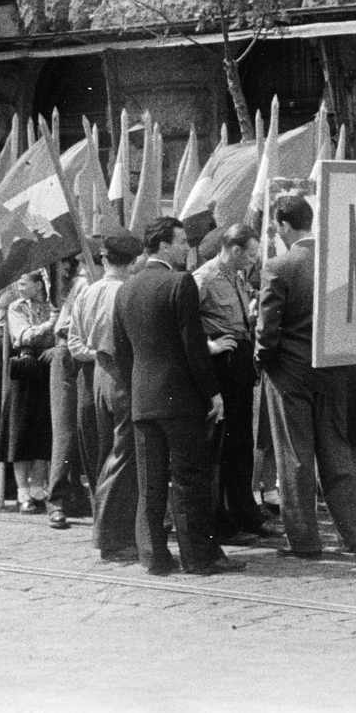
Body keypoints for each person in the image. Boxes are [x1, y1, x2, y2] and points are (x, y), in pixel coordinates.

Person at [117, 217, 240, 576]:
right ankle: (197, 556)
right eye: (182, 241)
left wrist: (137, 387)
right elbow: (192, 346)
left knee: (150, 481)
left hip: (143, 399)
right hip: (180, 400)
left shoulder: (126, 287)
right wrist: (212, 393)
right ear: (165, 245)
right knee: (189, 479)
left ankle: (154, 556)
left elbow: (122, 349)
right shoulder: (179, 282)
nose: (187, 248)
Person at [255, 194, 356, 558]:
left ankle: (304, 541)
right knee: (338, 454)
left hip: (289, 372)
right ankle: (355, 536)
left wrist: (263, 360)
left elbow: (267, 328)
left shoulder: (279, 266)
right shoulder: (340, 262)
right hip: (334, 369)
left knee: (295, 456)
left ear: (285, 225)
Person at [193, 224, 277, 544]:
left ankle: (247, 514)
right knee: (223, 446)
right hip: (221, 365)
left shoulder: (237, 276)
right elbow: (183, 324)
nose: (255, 259)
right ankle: (223, 522)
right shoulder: (203, 279)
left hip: (241, 361)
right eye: (252, 253)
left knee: (241, 443)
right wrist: (208, 345)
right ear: (236, 250)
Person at [70, 230, 142, 562]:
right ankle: (112, 536)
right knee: (124, 454)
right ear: (136, 259)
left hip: (98, 371)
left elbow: (78, 338)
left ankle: (107, 526)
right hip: (122, 373)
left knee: (105, 454)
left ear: (103, 257)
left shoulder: (88, 291)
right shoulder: (127, 292)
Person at [0, 270, 58, 513]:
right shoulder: (16, 308)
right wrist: (49, 325)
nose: (19, 287)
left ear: (39, 284)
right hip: (26, 367)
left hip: (48, 368)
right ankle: (23, 493)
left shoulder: (54, 305)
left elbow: (64, 333)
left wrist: (56, 347)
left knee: (44, 433)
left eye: (24, 283)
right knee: (20, 433)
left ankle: (39, 489)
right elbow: (22, 334)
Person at [44, 260, 96, 530]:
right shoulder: (84, 284)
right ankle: (57, 501)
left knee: (89, 428)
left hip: (90, 358)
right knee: (65, 431)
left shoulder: (96, 283)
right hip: (69, 355)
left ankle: (82, 496)